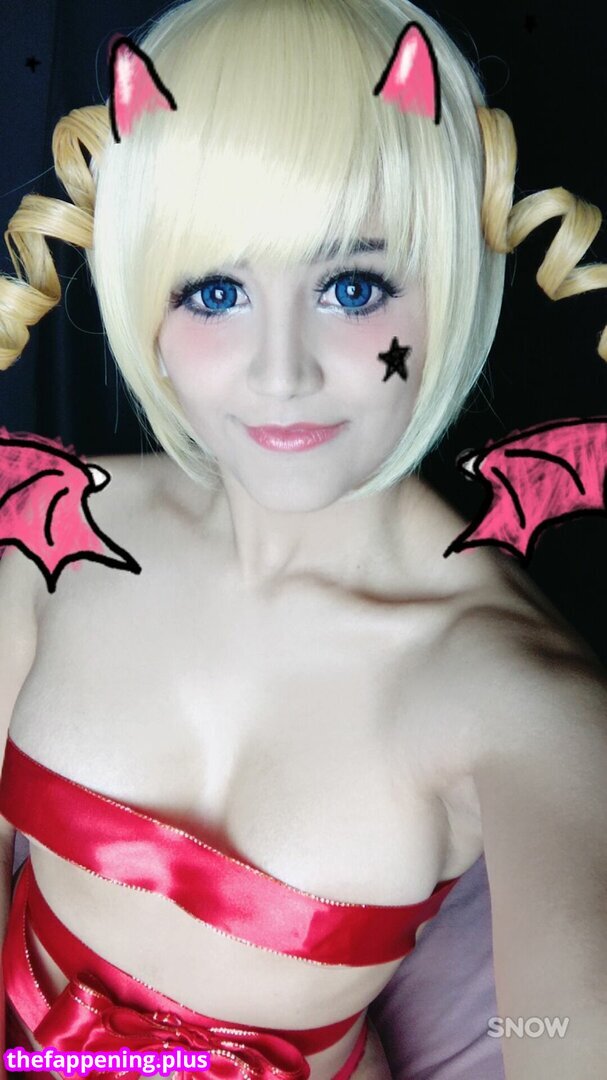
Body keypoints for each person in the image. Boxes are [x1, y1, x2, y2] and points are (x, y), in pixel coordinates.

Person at [0, 1, 606, 1078]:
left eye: (351, 286)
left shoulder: (521, 699)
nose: (282, 372)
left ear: (445, 280)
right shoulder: (52, 538)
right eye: (215, 291)